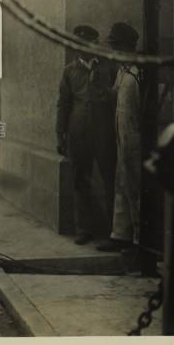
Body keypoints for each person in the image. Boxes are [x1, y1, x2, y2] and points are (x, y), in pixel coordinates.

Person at [56, 25, 118, 245]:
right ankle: (84, 228)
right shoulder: (69, 70)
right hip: (78, 132)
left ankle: (113, 231)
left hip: (104, 131)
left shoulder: (108, 66)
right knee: (80, 179)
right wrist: (60, 134)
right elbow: (63, 104)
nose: (82, 48)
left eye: (86, 44)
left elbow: (116, 96)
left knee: (109, 179)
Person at [97, 23, 142, 252]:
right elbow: (114, 93)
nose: (113, 52)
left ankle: (138, 239)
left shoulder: (138, 73)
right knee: (121, 183)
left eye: (115, 47)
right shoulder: (122, 72)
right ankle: (120, 235)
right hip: (121, 134)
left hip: (135, 137)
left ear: (127, 47)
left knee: (135, 187)